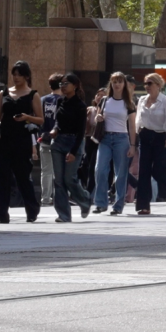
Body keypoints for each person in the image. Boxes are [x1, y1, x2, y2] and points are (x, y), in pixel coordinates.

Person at [0, 61, 44, 224]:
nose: (16, 77)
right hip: (4, 140)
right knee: (1, 178)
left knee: (23, 177)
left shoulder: (33, 94)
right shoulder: (3, 93)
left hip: (22, 140)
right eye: (14, 74)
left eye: (19, 74)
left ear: (26, 76)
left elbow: (41, 120)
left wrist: (27, 117)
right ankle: (0, 215)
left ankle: (32, 210)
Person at [134, 73, 166, 215]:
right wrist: (136, 133)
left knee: (158, 171)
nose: (147, 87)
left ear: (158, 85)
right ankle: (144, 205)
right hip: (145, 136)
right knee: (144, 172)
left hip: (161, 137)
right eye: (145, 84)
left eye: (150, 83)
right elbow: (138, 119)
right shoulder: (141, 100)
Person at [92, 72, 135, 215]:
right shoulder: (105, 100)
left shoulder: (128, 103)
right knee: (100, 170)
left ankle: (118, 205)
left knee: (121, 173)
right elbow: (98, 116)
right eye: (114, 82)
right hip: (105, 138)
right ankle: (101, 203)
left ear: (124, 84)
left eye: (119, 82)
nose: (117, 84)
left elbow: (132, 126)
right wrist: (98, 117)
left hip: (122, 139)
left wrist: (133, 145)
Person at [51, 73, 92, 223]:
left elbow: (81, 132)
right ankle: (63, 215)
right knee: (59, 181)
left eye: (66, 83)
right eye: (61, 83)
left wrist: (73, 152)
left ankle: (85, 199)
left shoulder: (81, 106)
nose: (62, 86)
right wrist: (55, 129)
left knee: (70, 179)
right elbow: (58, 121)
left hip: (74, 142)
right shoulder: (60, 101)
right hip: (58, 143)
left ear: (75, 86)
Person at [39, 72, 63, 206]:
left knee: (46, 171)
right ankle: (60, 197)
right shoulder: (64, 100)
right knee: (60, 171)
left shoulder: (42, 100)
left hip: (45, 138)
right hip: (60, 139)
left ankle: (45, 199)